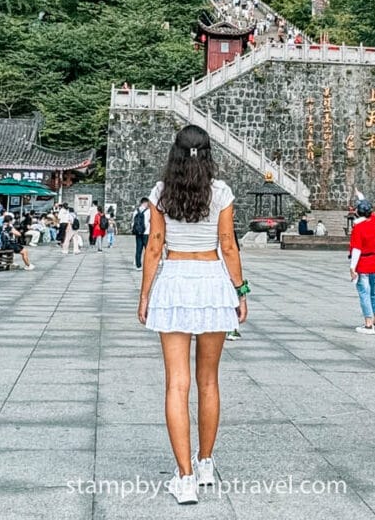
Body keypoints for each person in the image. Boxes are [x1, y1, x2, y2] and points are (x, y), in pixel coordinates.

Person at [138, 124, 247, 505]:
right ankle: (204, 463)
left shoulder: (161, 192)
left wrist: (145, 294)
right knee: (209, 382)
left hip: (174, 281)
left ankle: (183, 478)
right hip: (213, 282)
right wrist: (241, 290)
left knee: (176, 384)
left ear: (176, 153)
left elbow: (154, 246)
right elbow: (228, 245)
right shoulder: (221, 192)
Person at [348, 199, 375, 333]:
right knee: (374, 293)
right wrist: (361, 196)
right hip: (374, 259)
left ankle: (368, 324)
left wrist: (352, 268)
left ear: (357, 212)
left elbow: (356, 249)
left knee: (364, 293)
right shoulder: (374, 221)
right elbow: (370, 210)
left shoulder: (358, 228)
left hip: (363, 262)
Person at [132, 197, 150, 269]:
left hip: (138, 233)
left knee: (138, 249)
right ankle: (147, 265)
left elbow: (133, 222)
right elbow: (150, 222)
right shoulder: (149, 211)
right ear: (145, 203)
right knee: (147, 250)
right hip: (146, 233)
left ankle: (138, 265)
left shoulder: (136, 211)